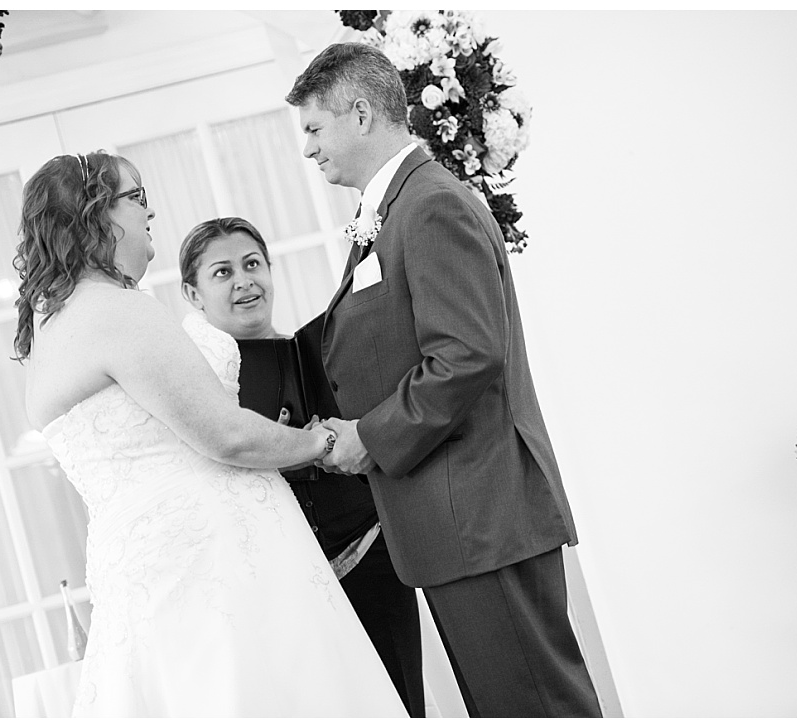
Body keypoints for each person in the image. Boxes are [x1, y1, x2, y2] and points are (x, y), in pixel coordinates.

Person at [12, 151, 407, 718]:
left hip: (143, 568)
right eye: (138, 197)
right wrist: (324, 443)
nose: (152, 213)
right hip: (214, 565)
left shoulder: (47, 335)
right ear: (97, 214)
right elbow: (225, 435)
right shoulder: (120, 310)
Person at [285, 43, 603, 718]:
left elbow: (464, 357)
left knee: (536, 706)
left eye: (313, 129)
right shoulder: (396, 209)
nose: (308, 150)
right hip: (456, 522)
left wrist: (370, 436)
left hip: (480, 513)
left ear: (361, 114)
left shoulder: (428, 205)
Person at [178, 216, 424, 717]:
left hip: (368, 556)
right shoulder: (195, 390)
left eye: (252, 265)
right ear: (193, 293)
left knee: (399, 706)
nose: (244, 281)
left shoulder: (326, 352)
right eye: (222, 273)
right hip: (276, 581)